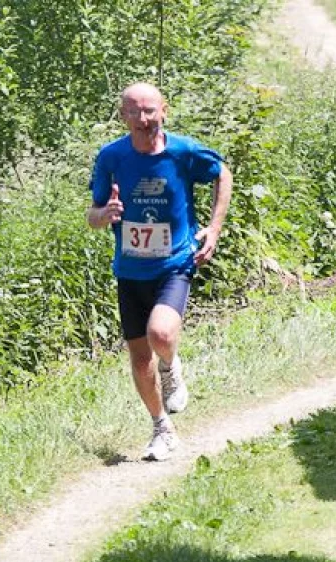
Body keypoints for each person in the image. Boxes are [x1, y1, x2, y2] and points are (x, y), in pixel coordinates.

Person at [86, 82, 233, 461]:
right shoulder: (112, 157)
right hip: (130, 270)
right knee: (138, 358)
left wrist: (213, 229)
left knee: (161, 333)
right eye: (134, 111)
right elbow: (93, 214)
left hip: (174, 263)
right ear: (123, 116)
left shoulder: (183, 152)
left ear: (163, 111)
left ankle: (170, 366)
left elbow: (222, 174)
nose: (143, 118)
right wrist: (104, 216)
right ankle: (161, 427)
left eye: (149, 110)